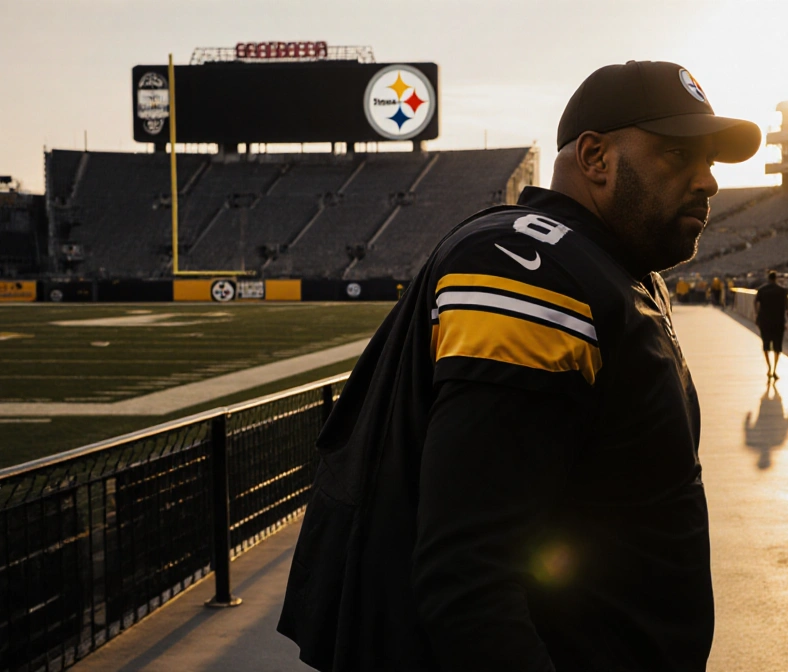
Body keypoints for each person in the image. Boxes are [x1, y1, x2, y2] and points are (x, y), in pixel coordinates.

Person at [277, 60, 760, 671]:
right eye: (678, 154)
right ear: (595, 158)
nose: (708, 181)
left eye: (711, 161)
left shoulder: (611, 269)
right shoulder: (530, 268)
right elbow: (468, 579)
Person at [754, 271, 788, 379]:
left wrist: (757, 315)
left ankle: (769, 368)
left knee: (766, 345)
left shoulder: (762, 290)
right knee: (777, 346)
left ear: (768, 278)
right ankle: (774, 369)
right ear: (776, 279)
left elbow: (755, 303)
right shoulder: (783, 291)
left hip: (764, 321)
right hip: (778, 322)